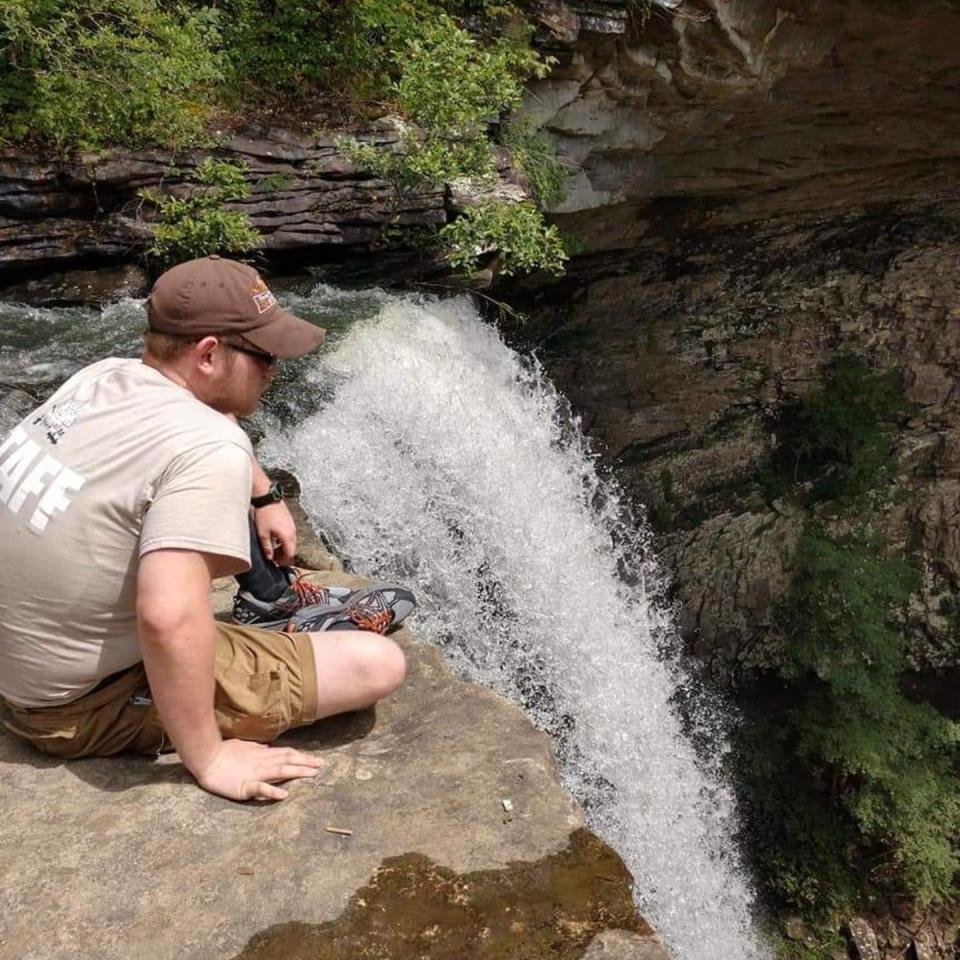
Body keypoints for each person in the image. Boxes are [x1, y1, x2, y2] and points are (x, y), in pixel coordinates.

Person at [0, 255, 414, 802]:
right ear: (210, 353)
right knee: (375, 664)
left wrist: (262, 493)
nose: (275, 370)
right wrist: (211, 758)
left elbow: (211, 420)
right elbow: (167, 618)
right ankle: (280, 625)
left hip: (26, 663)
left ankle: (269, 616)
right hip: (73, 707)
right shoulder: (207, 449)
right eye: (264, 355)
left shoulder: (102, 377)